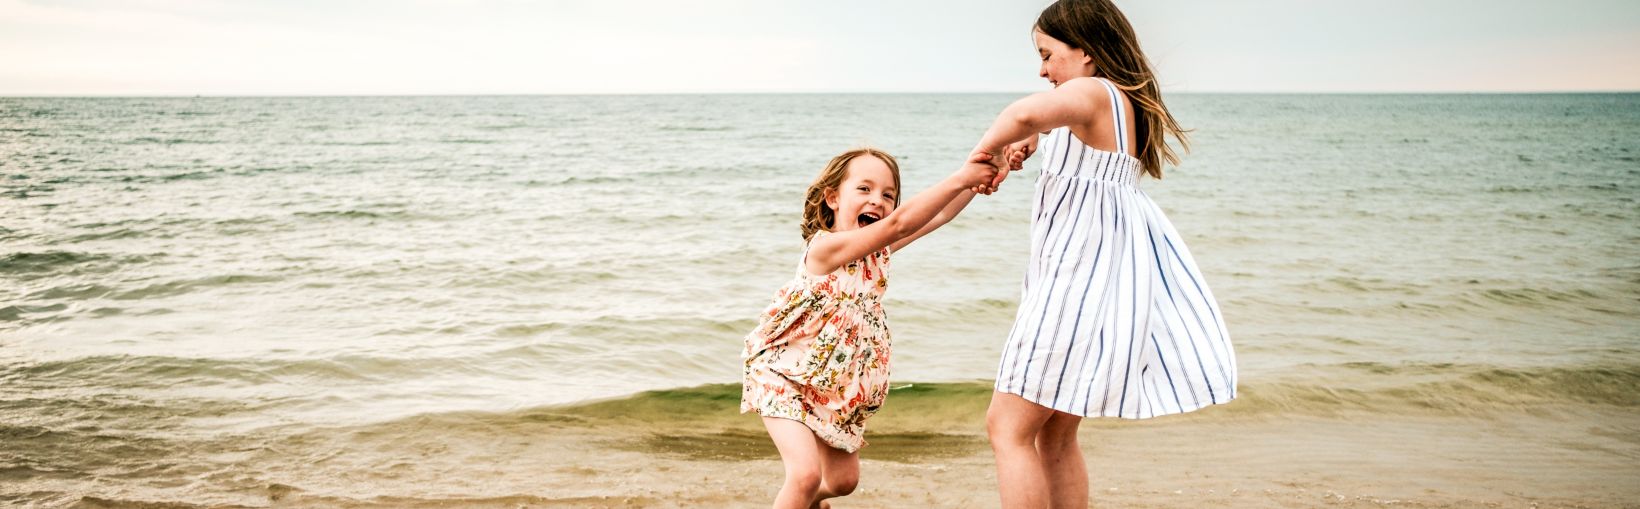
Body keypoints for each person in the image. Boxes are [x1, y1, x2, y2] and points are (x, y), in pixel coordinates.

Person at [967, 0, 1239, 506]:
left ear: (1086, 54)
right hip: (1099, 288)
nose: (1041, 69)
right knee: (1055, 434)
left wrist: (980, 156)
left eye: (1048, 55)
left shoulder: (1091, 93)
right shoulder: (1117, 102)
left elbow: (1023, 111)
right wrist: (1026, 142)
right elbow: (1043, 125)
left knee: (1008, 429)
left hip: (1072, 287)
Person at [741, 147, 1000, 509]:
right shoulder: (825, 248)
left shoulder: (878, 250)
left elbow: (939, 214)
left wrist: (983, 177)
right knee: (804, 475)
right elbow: (900, 223)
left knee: (843, 482)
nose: (877, 200)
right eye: (864, 189)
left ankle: (807, 502)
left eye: (888, 194)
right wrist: (961, 176)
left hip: (835, 388)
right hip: (784, 374)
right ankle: (800, 496)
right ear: (832, 198)